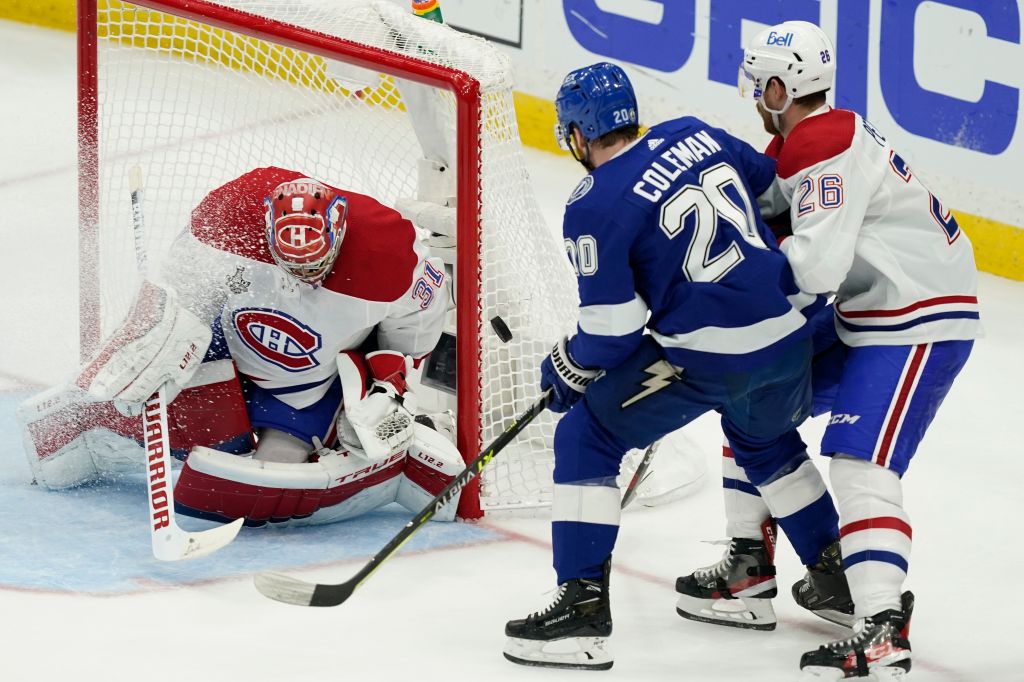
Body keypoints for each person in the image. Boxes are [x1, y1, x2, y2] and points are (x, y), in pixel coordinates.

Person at [502, 63, 844, 671]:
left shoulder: (594, 202)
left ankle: (580, 611)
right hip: (791, 339)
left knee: (587, 435)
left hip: (713, 355)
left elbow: (612, 330)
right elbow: (777, 201)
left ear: (578, 135)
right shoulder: (696, 131)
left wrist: (568, 366)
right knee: (759, 436)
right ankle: (833, 577)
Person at [683, 21, 979, 680]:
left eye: (761, 84)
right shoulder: (803, 140)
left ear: (784, 87)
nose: (754, 93)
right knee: (750, 396)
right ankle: (749, 569)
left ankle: (881, 631)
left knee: (859, 464)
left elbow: (813, 270)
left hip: (916, 316)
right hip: (870, 309)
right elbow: (781, 234)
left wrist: (739, 293)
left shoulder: (823, 146)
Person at [19, 167, 465, 526]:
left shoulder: (391, 256)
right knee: (184, 416)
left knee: (271, 474)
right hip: (228, 344)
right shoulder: (231, 216)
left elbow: (410, 339)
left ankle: (383, 473)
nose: (302, 276)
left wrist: (385, 388)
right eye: (290, 262)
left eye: (315, 264)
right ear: (266, 232)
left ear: (339, 232)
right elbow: (180, 292)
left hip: (308, 383)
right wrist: (165, 335)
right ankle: (98, 431)